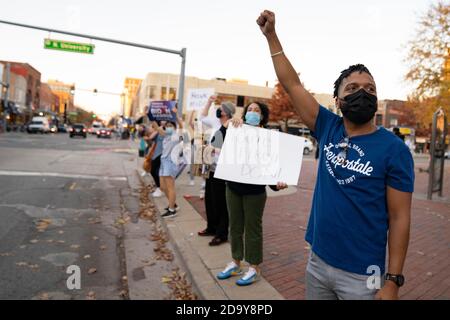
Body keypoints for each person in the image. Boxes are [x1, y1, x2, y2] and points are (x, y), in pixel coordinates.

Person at [257, 10, 414, 299]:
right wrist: (271, 36)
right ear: (338, 100)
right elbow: (292, 85)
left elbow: (400, 216)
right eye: (352, 88)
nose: (362, 93)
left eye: (370, 89)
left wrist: (392, 281)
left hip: (363, 274)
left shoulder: (395, 150)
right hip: (317, 262)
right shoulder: (327, 126)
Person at [216, 102, 288, 286]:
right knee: (235, 226)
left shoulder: (269, 137)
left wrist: (277, 184)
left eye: (257, 110)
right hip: (233, 187)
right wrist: (228, 125)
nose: (253, 113)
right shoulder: (236, 129)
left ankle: (254, 267)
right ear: (245, 113)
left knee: (252, 229)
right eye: (250, 110)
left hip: (254, 192)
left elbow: (272, 165)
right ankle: (236, 262)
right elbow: (216, 142)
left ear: (263, 116)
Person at [197, 99, 236, 246]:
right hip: (210, 166)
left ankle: (221, 234)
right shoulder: (215, 123)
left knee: (221, 202)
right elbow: (201, 118)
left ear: (227, 113)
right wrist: (208, 102)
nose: (219, 111)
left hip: (223, 168)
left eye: (221, 109)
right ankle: (211, 227)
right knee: (210, 199)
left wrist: (216, 149)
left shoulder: (233, 126)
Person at [151, 108, 183, 218]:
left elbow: (181, 126)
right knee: (163, 187)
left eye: (171, 125)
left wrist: (176, 115)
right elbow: (156, 127)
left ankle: (172, 210)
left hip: (171, 163)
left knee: (170, 187)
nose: (169, 127)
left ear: (174, 127)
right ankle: (173, 204)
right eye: (167, 125)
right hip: (163, 162)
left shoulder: (176, 136)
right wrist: (151, 114)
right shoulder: (165, 135)